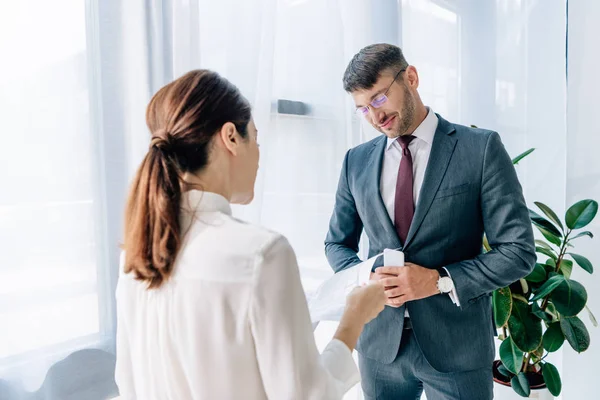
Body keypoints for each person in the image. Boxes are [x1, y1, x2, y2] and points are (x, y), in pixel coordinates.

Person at [114, 69, 387, 400]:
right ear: (230, 137)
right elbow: (307, 396)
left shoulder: (136, 254)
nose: (258, 156)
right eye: (255, 138)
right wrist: (353, 320)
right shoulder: (262, 254)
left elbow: (127, 382)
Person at [325, 43, 536, 400]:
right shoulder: (355, 161)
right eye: (362, 109)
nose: (375, 117)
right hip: (379, 349)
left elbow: (517, 251)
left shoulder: (479, 148)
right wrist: (367, 279)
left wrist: (439, 281)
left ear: (411, 77)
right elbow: (337, 243)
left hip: (458, 347)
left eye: (378, 99)